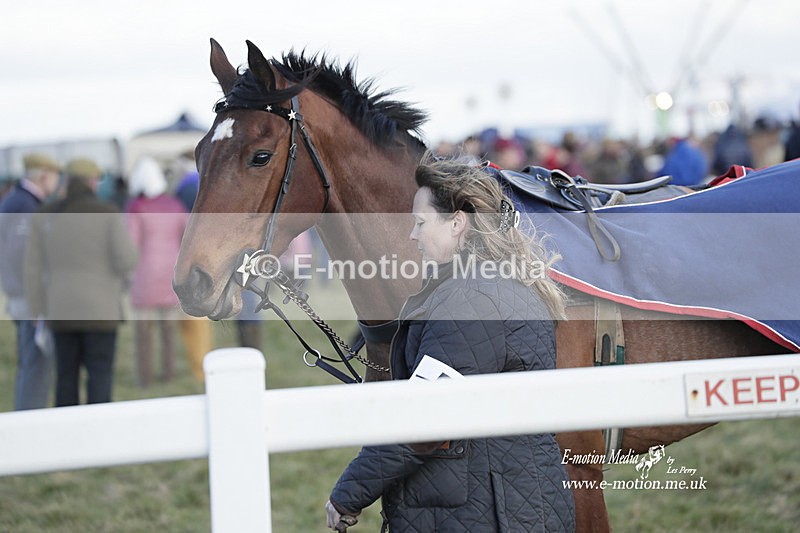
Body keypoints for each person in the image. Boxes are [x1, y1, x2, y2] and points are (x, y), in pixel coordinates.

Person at [325, 156, 575, 532]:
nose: (413, 236)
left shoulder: (470, 298)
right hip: (502, 505)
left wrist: (349, 492)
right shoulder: (495, 283)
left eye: (421, 223)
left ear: (457, 223)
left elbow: (427, 418)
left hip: (488, 514)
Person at [24, 158, 137, 406]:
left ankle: (67, 427)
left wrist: (36, 308)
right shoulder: (107, 213)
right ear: (93, 182)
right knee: (100, 376)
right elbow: (127, 260)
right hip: (101, 311)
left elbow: (32, 267)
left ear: (66, 181)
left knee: (65, 377)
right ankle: (98, 427)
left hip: (60, 310)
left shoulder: (45, 214)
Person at [0, 153, 61, 409]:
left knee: (31, 363)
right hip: (29, 296)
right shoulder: (26, 206)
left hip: (20, 294)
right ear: (43, 175)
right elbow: (24, 257)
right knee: (36, 366)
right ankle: (30, 418)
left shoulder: (16, 200)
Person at [126, 157, 188, 387]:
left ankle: (145, 378)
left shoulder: (136, 208)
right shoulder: (175, 205)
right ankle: (169, 374)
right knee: (169, 329)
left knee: (144, 332)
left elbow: (131, 244)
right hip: (171, 273)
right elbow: (185, 236)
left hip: (145, 275)